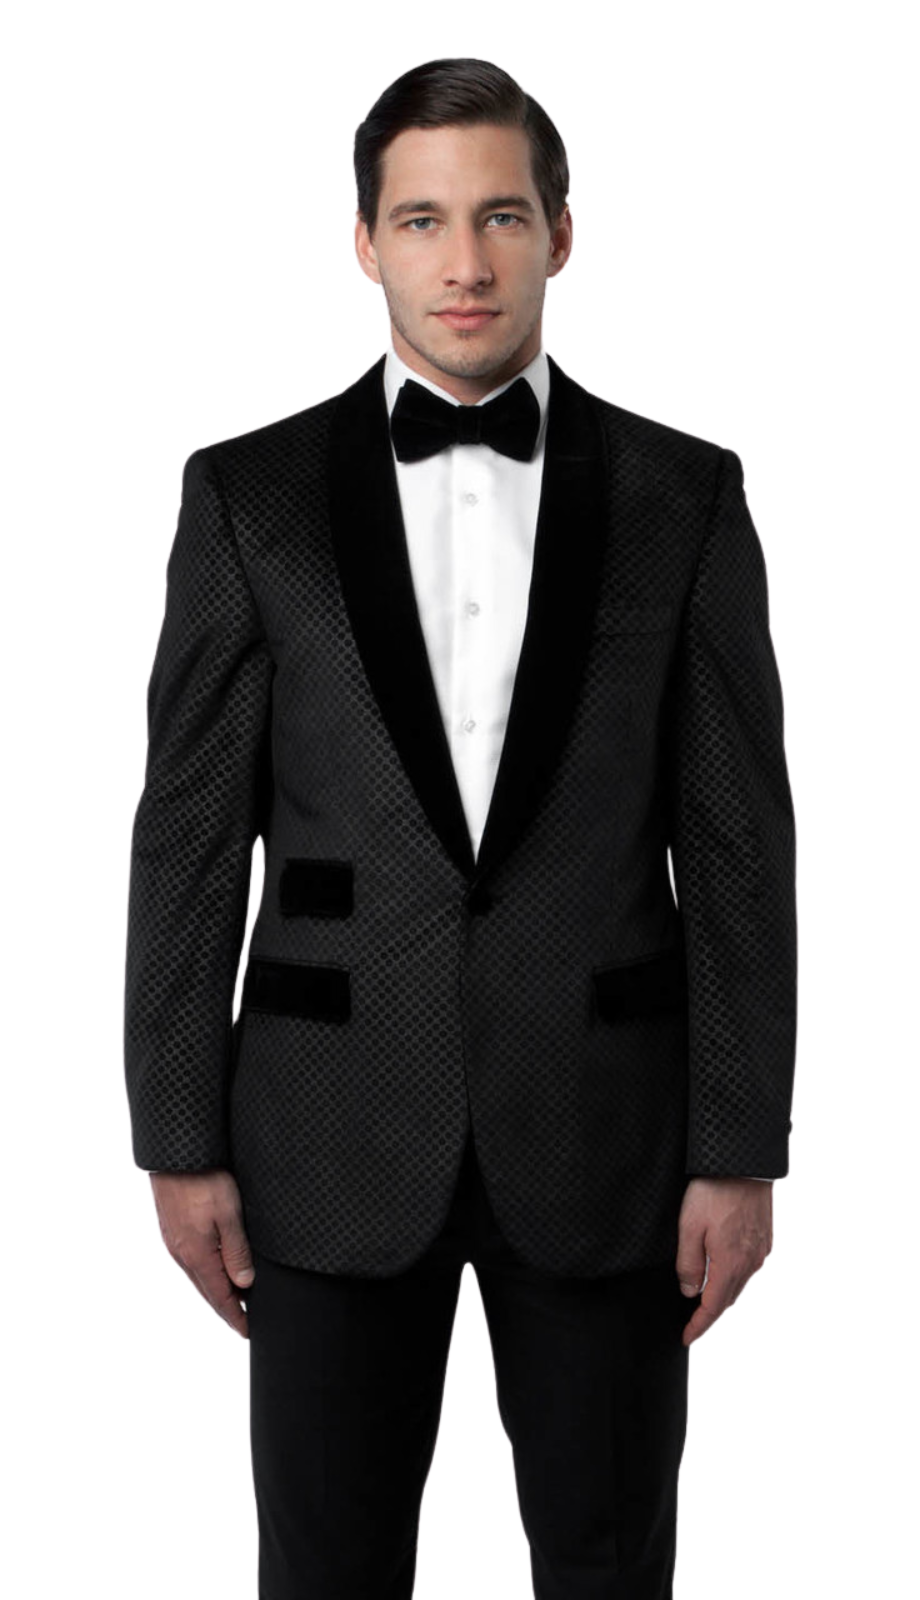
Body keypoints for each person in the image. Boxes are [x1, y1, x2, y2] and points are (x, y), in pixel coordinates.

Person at [124, 56, 797, 1600]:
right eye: (423, 220)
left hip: (611, 1138)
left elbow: (738, 845)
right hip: (323, 1135)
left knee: (611, 1567)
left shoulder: (685, 498)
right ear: (365, 243)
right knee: (326, 1574)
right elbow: (188, 837)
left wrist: (739, 1145)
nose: (467, 261)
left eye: (501, 215)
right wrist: (175, 1134)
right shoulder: (249, 499)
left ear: (562, 231)